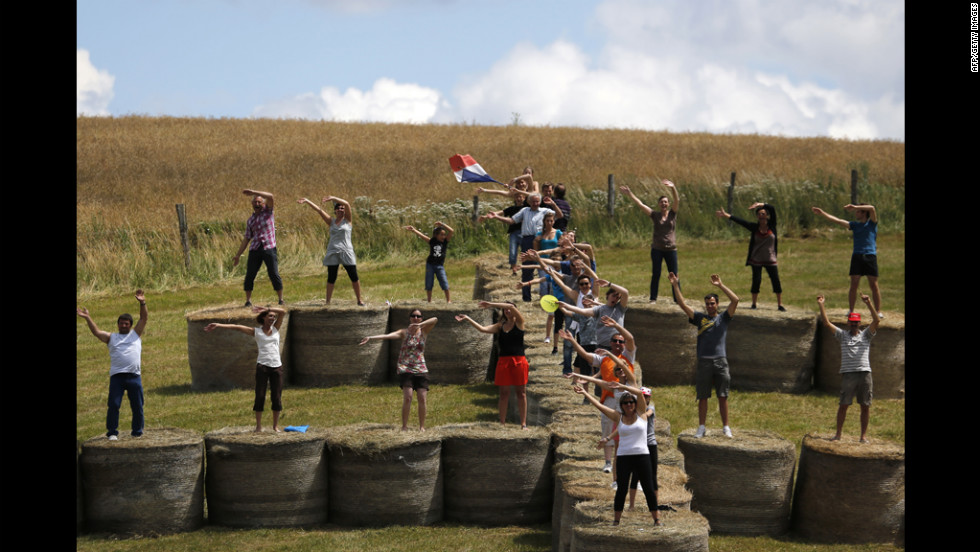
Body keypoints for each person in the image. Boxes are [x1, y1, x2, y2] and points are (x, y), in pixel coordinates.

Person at [574, 384, 660, 526]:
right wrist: (584, 392)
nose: (629, 405)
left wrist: (621, 385)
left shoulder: (642, 414)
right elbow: (599, 406)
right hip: (624, 457)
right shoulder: (618, 417)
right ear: (622, 405)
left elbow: (639, 393)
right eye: (625, 403)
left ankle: (656, 519)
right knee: (621, 489)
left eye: (631, 402)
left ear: (636, 404)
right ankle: (616, 520)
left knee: (648, 488)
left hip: (642, 456)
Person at [560, 315, 636, 473]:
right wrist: (573, 341)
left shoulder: (628, 356)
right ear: (610, 343)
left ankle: (621, 461)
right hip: (609, 398)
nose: (618, 343)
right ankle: (608, 462)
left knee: (626, 430)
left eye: (620, 341)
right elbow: (586, 356)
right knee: (607, 429)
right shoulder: (603, 358)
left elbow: (630, 338)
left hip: (626, 399)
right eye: (615, 341)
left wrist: (616, 325)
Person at [668, 272, 739, 438]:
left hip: (721, 361)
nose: (710, 306)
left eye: (712, 303)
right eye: (707, 304)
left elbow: (735, 300)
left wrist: (720, 285)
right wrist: (675, 285)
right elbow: (682, 303)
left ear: (717, 304)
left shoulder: (724, 318)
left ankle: (726, 427)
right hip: (704, 362)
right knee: (703, 396)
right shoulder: (699, 318)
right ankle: (701, 427)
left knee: (723, 395)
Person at [77, 289, 149, 440]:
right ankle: (112, 433)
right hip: (117, 377)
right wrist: (87, 317)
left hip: (134, 376)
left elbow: (143, 318)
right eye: (121, 323)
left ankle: (137, 432)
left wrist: (142, 302)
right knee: (114, 405)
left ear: (130, 325)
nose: (124, 325)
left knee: (137, 406)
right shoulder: (111, 338)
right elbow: (96, 332)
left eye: (126, 323)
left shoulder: (135, 335)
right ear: (117, 325)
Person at [204, 305, 287, 432]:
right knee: (260, 395)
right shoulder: (256, 332)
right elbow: (237, 327)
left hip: (277, 367)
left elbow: (283, 311)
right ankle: (258, 426)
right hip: (262, 366)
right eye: (270, 316)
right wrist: (219, 325)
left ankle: (275, 426)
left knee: (276, 396)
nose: (273, 318)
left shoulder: (276, 329)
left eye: (274, 317)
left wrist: (267, 308)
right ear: (263, 318)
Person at [359, 309, 438, 431]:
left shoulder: (424, 331)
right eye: (413, 316)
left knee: (422, 398)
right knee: (408, 397)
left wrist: (420, 325)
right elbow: (387, 336)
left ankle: (422, 427)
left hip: (421, 369)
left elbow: (435, 319)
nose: (415, 318)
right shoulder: (404, 333)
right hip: (406, 369)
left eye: (418, 316)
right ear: (409, 318)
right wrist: (371, 337)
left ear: (421, 318)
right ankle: (404, 426)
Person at [455, 301, 530, 429]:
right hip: (504, 361)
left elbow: (511, 306)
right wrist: (468, 318)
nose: (507, 311)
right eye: (505, 310)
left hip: (518, 361)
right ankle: (502, 423)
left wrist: (490, 304)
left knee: (521, 393)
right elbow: (482, 329)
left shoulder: (519, 322)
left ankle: (523, 424)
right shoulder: (500, 326)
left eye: (508, 309)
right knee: (504, 393)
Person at [817, 293, 880, 443]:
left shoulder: (866, 335)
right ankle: (838, 435)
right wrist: (821, 304)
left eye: (856, 322)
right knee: (843, 404)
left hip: (865, 373)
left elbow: (877, 320)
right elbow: (826, 323)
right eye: (851, 322)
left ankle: (863, 436)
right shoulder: (842, 335)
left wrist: (869, 303)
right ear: (848, 323)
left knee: (865, 405)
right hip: (848, 374)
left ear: (859, 323)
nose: (854, 324)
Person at [483, 193, 563, 302]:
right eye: (533, 201)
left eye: (537, 201)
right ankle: (526, 297)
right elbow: (512, 221)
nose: (535, 204)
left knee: (546, 267)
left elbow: (559, 215)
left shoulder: (544, 211)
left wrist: (553, 204)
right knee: (527, 269)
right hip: (527, 240)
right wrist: (497, 217)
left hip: (542, 240)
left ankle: (549, 296)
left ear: (540, 202)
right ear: (529, 202)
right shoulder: (525, 211)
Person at [811, 204, 882, 317]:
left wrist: (855, 206)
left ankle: (878, 312)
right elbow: (838, 221)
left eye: (858, 212)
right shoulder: (854, 225)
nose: (855, 213)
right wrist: (822, 213)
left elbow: (872, 208)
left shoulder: (872, 224)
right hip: (857, 256)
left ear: (863, 213)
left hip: (870, 256)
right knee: (854, 284)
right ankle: (851, 310)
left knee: (873, 285)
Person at [716, 202, 785, 311]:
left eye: (763, 213)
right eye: (759, 214)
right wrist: (726, 215)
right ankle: (754, 304)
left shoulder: (772, 225)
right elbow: (740, 221)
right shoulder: (754, 227)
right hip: (756, 259)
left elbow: (772, 208)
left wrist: (760, 204)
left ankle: (780, 305)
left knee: (776, 280)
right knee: (756, 281)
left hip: (770, 259)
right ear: (757, 216)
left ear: (767, 215)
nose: (761, 216)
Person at [620, 180, 680, 304]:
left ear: (668, 204)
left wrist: (673, 188)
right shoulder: (655, 215)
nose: (663, 203)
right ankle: (653, 298)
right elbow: (641, 205)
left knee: (674, 275)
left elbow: (677, 200)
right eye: (661, 202)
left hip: (671, 250)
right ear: (658, 204)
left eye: (665, 201)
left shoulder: (672, 214)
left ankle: (677, 298)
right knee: (656, 274)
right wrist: (630, 194)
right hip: (657, 249)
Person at [298, 196, 364, 305]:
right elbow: (319, 210)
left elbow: (347, 203)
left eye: (342, 209)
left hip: (346, 252)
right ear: (335, 210)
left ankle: (359, 300)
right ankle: (328, 302)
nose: (340, 210)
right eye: (338, 208)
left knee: (354, 276)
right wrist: (307, 201)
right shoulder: (331, 222)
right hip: (333, 252)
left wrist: (333, 198)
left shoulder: (348, 221)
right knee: (331, 277)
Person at [232, 189, 284, 306]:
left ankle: (281, 299)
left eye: (259, 202)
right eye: (255, 202)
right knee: (250, 274)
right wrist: (238, 255)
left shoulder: (268, 213)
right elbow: (247, 238)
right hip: (255, 249)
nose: (257, 204)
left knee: (273, 273)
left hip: (269, 247)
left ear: (264, 204)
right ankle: (248, 301)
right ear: (252, 204)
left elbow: (271, 196)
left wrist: (253, 192)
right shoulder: (250, 220)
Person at [477, 192, 528, 276]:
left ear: (524, 198)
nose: (519, 199)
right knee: (512, 252)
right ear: (515, 198)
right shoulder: (512, 208)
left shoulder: (527, 209)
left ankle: (526, 270)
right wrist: (486, 217)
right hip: (514, 233)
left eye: (520, 197)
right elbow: (500, 213)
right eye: (517, 197)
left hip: (524, 233)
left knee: (525, 252)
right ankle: (514, 271)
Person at [404, 222, 455, 303]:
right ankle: (429, 301)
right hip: (430, 265)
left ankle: (448, 300)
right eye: (441, 235)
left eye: (444, 235)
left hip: (440, 266)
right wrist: (414, 230)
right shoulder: (432, 241)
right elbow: (422, 236)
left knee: (444, 282)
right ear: (436, 235)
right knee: (429, 283)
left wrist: (442, 224)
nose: (443, 236)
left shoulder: (444, 242)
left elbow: (451, 231)